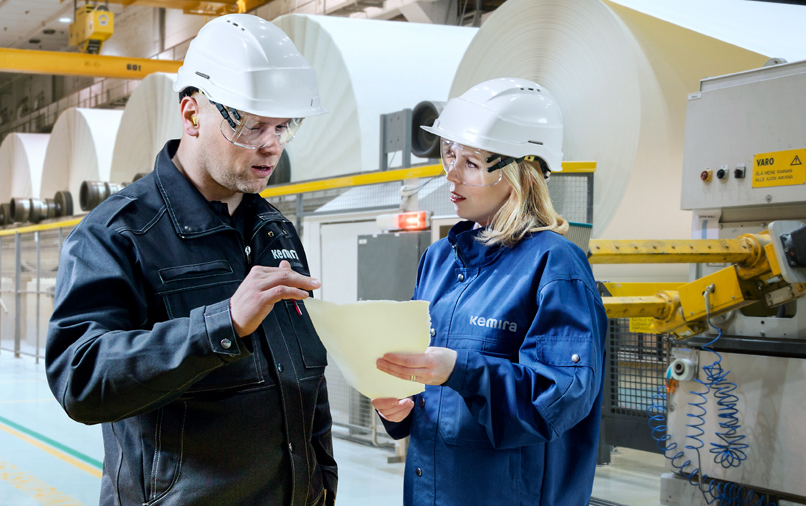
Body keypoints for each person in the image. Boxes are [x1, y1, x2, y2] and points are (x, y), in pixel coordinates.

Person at [45, 14, 337, 506]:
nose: (272, 145)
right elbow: (80, 377)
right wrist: (219, 326)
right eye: (251, 125)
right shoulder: (118, 233)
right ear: (192, 114)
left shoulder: (274, 229)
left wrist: (321, 485)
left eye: (284, 126)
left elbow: (304, 377)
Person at [372, 78, 607, 506]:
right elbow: (424, 382)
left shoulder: (555, 265)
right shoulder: (440, 259)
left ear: (520, 172)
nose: (451, 174)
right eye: (450, 155)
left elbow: (560, 397)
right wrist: (398, 410)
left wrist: (461, 370)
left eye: (472, 163)